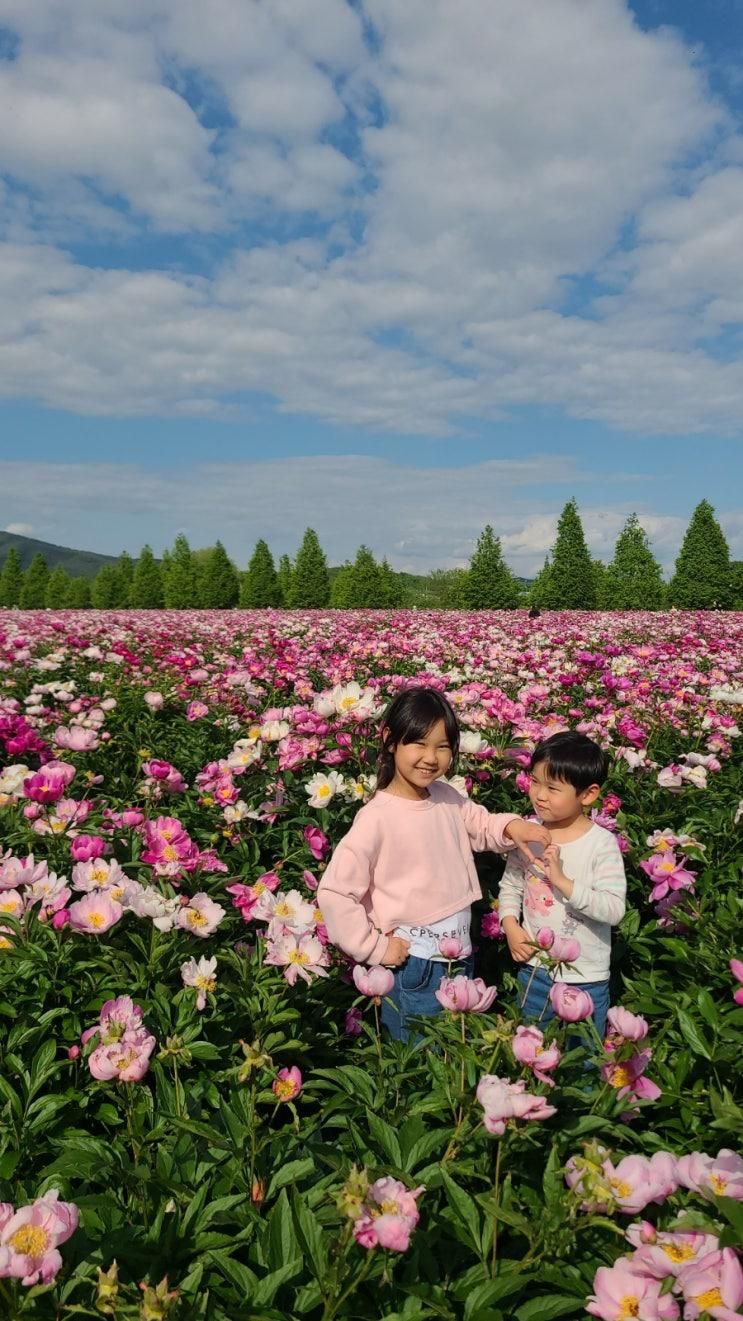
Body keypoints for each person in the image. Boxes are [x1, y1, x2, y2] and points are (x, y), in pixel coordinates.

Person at [318, 686, 550, 1041]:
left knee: (453, 1054)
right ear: (390, 741)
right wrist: (376, 949)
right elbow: (335, 893)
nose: (431, 757)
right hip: (415, 966)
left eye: (442, 747)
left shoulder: (447, 796)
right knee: (421, 1058)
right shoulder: (376, 817)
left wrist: (512, 825)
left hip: (461, 955)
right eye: (419, 744)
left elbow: (480, 824)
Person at [499, 730, 626, 1041]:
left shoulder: (601, 845)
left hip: (585, 978)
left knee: (582, 1061)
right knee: (532, 1053)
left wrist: (563, 883)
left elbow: (613, 910)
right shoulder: (529, 834)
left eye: (553, 788)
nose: (539, 794)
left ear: (588, 794)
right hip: (535, 970)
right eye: (536, 781)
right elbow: (511, 886)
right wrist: (510, 925)